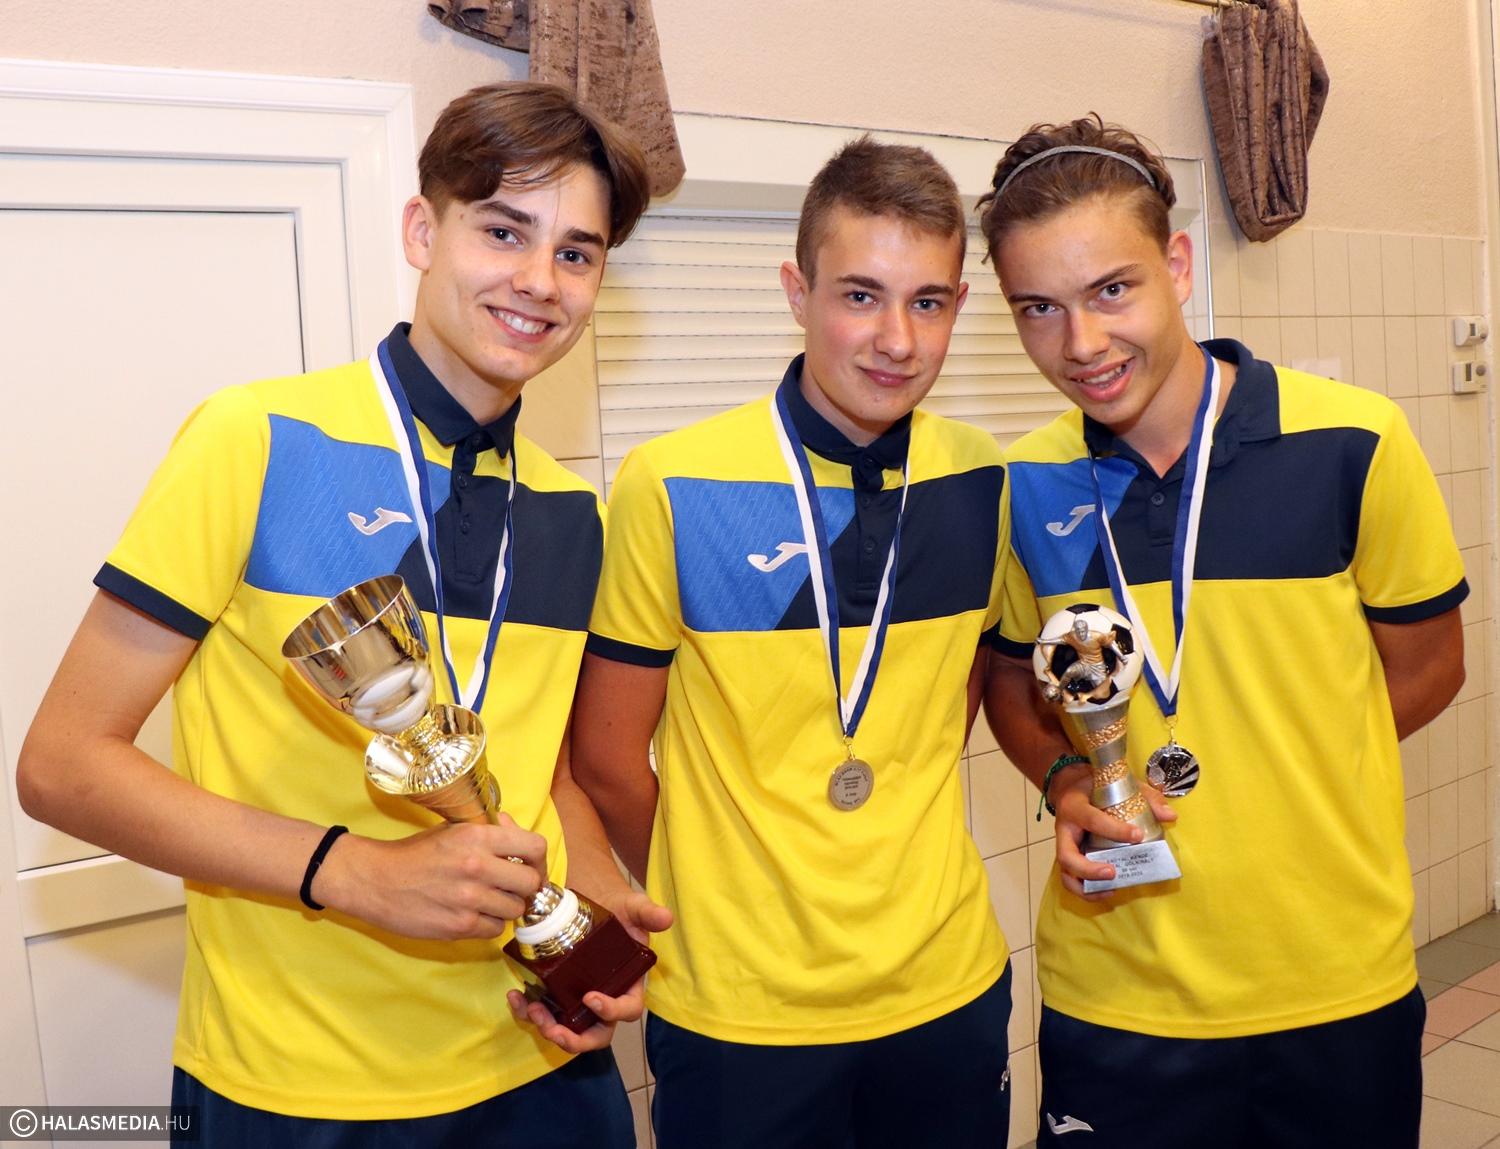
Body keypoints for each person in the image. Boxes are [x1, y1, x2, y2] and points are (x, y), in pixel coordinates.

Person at [17, 81, 670, 1148]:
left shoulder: (569, 510)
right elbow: (61, 765)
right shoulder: (256, 438)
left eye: (576, 252)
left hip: (538, 1068)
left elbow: (543, 774)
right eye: (504, 231)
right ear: (422, 231)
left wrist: (590, 931)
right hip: (299, 1088)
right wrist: (357, 871)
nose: (539, 280)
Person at [978, 115, 1467, 1149]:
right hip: (1118, 993)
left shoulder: (1354, 440)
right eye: (1039, 308)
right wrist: (1066, 780)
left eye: (1113, 289)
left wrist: (1285, 770)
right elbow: (1013, 690)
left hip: (1334, 981)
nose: (1082, 343)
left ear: (1178, 264)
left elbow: (1430, 669)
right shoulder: (1021, 486)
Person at [571, 137, 1014, 1149]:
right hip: (741, 1007)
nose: (897, 339)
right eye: (860, 295)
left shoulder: (982, 478)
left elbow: (952, 704)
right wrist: (719, 875)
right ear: (797, 292)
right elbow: (605, 758)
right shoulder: (671, 482)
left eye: (929, 302)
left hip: (945, 985)